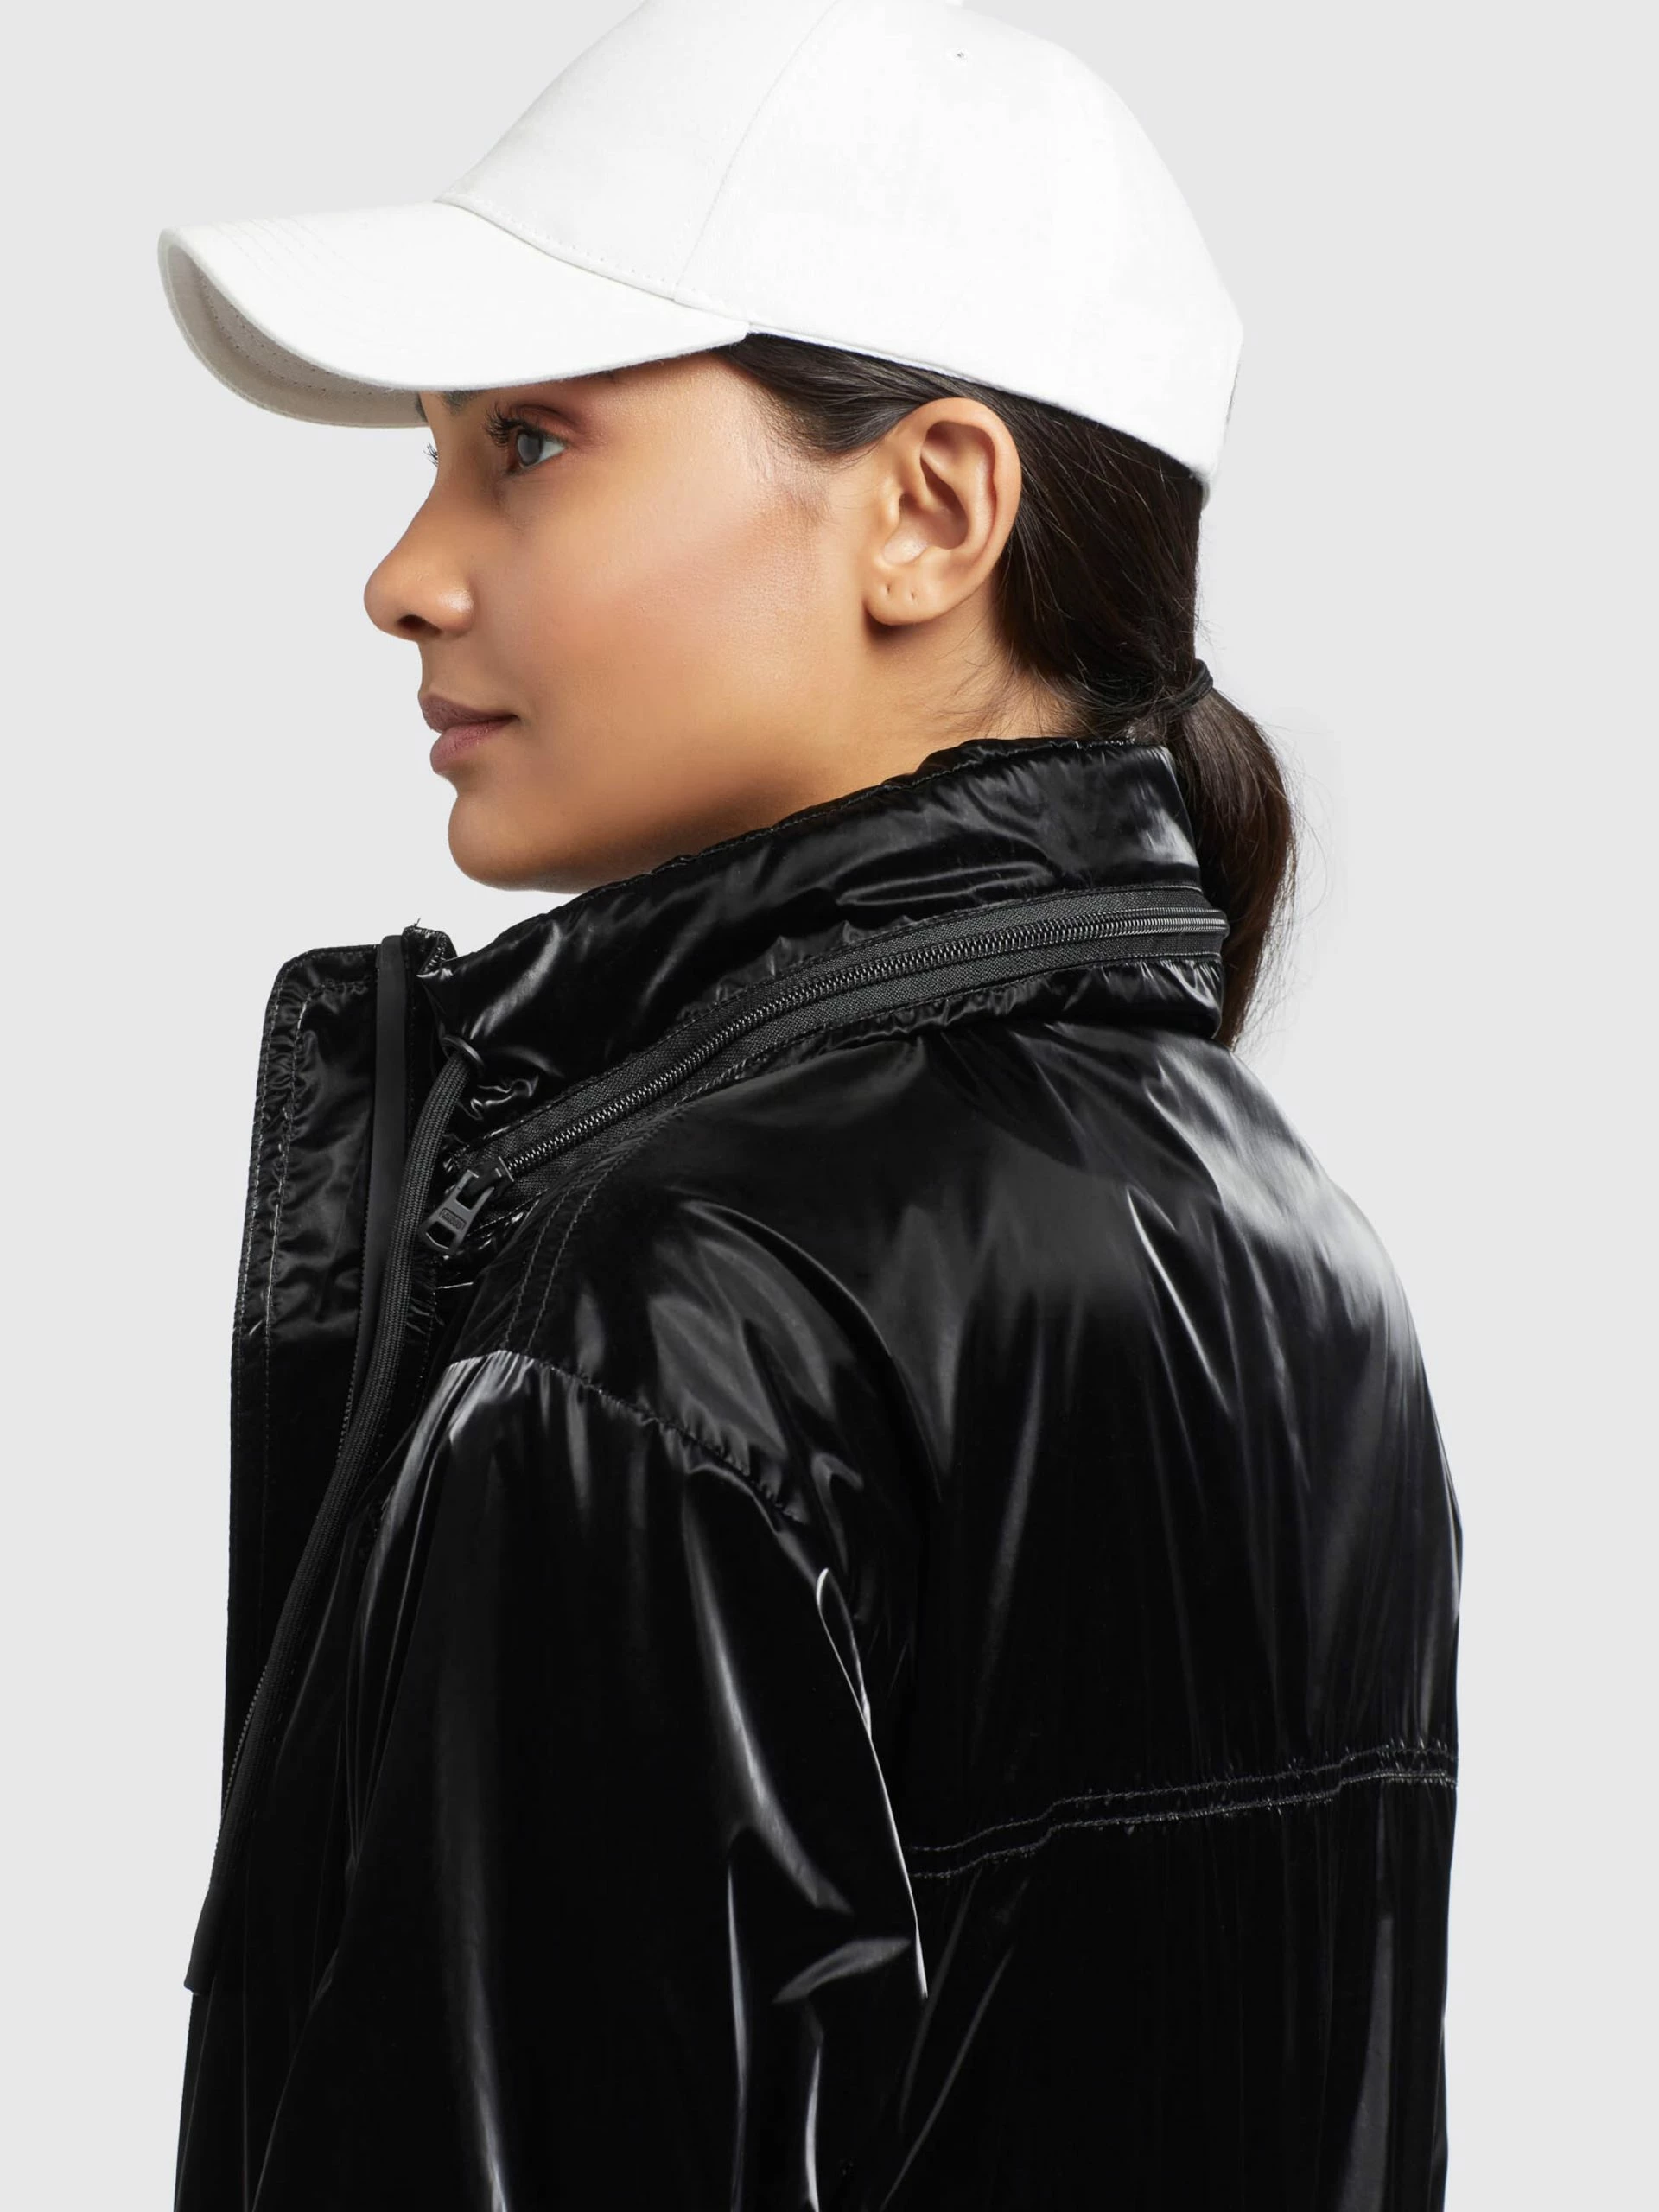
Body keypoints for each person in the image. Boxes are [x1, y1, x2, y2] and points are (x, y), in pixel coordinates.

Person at [156, 3, 1462, 2206]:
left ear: (931, 508)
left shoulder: (689, 1305)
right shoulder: (1310, 1253)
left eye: (529, 443)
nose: (405, 573)